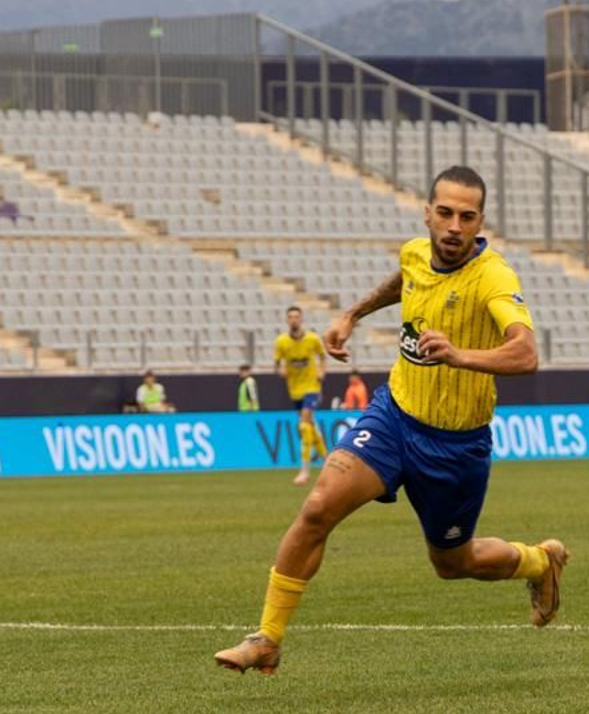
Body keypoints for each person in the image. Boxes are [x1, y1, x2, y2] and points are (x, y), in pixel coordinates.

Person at [215, 166, 568, 675]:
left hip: (455, 445)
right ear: (427, 212)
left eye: (466, 217)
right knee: (317, 507)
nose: (453, 226)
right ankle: (267, 638)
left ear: (480, 222)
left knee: (453, 562)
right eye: (444, 213)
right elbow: (405, 280)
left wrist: (460, 355)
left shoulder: (494, 277)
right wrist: (353, 315)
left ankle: (538, 561)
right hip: (394, 417)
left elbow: (526, 354)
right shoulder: (415, 252)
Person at [275, 306, 328, 484]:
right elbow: (277, 363)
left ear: (302, 319)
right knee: (311, 427)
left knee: (304, 425)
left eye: (296, 316)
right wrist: (280, 369)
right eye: (290, 317)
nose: (294, 320)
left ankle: (304, 471)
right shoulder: (281, 342)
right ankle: (328, 463)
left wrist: (322, 371)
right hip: (295, 391)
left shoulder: (313, 339)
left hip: (312, 388)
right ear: (287, 320)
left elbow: (323, 356)